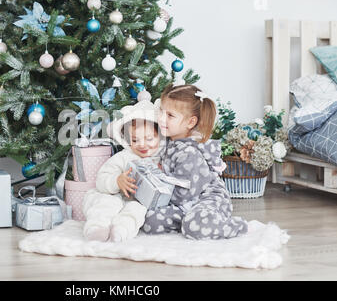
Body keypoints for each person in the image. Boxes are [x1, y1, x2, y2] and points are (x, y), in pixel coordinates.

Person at [142, 85, 248, 240]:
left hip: (206, 199)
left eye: (170, 115)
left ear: (190, 122)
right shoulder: (169, 142)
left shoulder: (189, 152)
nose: (161, 118)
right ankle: (188, 222)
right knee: (150, 220)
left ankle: (234, 226)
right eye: (161, 111)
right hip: (184, 203)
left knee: (196, 227)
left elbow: (185, 192)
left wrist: (161, 194)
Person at [82, 100, 163, 242]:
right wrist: (117, 181)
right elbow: (101, 179)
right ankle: (97, 227)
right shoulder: (124, 157)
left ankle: (121, 231)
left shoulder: (162, 160)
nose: (142, 145)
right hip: (114, 195)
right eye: (135, 140)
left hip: (139, 201)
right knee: (106, 203)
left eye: (149, 138)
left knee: (137, 211)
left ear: (160, 137)